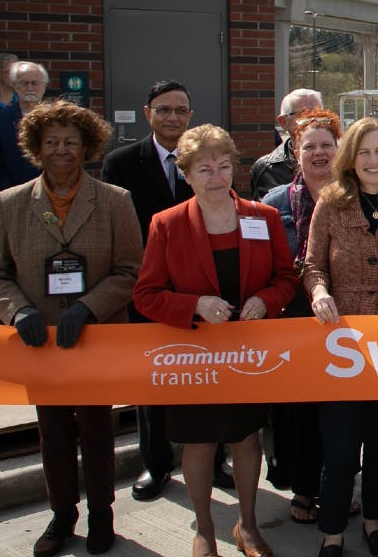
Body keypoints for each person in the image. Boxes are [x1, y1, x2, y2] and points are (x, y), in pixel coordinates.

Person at [132, 124, 298, 557]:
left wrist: (265, 300)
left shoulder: (261, 217)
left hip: (247, 355)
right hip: (195, 357)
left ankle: (248, 525)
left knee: (246, 439)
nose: (217, 177)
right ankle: (205, 530)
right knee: (200, 443)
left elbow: (285, 277)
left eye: (224, 166)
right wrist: (194, 305)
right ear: (186, 174)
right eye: (204, 169)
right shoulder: (167, 225)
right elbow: (145, 295)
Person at [0, 101, 143, 557]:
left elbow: (131, 270)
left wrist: (88, 307)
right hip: (38, 340)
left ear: (87, 147)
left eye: (71, 142)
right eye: (52, 142)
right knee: (53, 431)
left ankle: (102, 513)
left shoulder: (114, 200)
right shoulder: (10, 202)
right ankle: (62, 515)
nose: (61, 150)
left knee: (97, 429)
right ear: (36, 147)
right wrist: (17, 311)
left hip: (94, 336)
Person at [304, 118, 378, 557]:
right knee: (339, 448)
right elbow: (312, 265)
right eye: (364, 152)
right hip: (343, 343)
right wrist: (319, 292)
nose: (373, 161)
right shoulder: (330, 204)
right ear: (351, 159)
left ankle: (374, 520)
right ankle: (332, 531)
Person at [100, 79, 204, 502]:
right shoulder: (121, 164)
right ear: (148, 114)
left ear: (190, 115)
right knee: (153, 383)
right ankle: (156, 464)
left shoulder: (205, 158)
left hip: (201, 291)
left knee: (206, 377)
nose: (172, 117)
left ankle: (212, 460)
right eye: (163, 109)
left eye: (180, 110)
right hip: (150, 291)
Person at [261, 108, 341, 524]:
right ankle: (305, 488)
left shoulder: (352, 197)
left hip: (343, 322)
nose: (319, 152)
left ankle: (338, 485)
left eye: (327, 144)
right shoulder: (273, 205)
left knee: (339, 416)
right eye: (310, 146)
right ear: (295, 152)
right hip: (292, 322)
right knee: (298, 415)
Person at [250, 88, 323, 199]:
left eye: (318, 114)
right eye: (303, 114)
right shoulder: (267, 170)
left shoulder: (341, 161)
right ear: (283, 122)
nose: (312, 120)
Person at [0, 61, 50, 190]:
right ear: (15, 86)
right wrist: (14, 194)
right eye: (24, 83)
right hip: (11, 194)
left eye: (35, 83)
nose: (30, 88)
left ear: (44, 86)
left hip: (52, 194)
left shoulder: (58, 119)